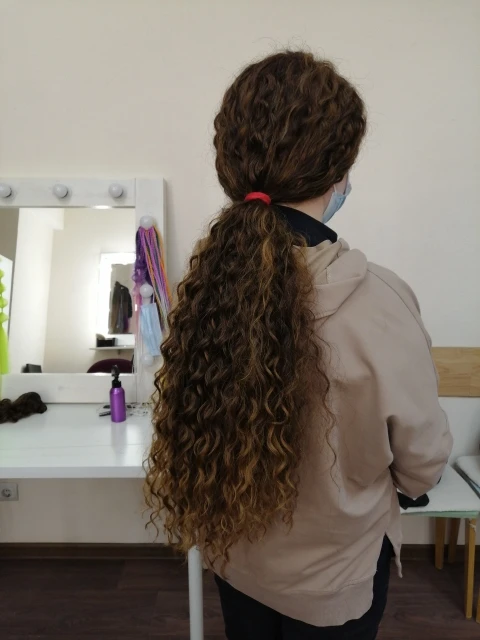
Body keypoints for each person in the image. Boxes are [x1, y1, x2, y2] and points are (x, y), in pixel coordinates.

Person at [145, 51, 453, 639]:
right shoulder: (380, 300)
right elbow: (420, 463)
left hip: (238, 559)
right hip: (333, 582)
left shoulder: (209, 285)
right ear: (338, 170)